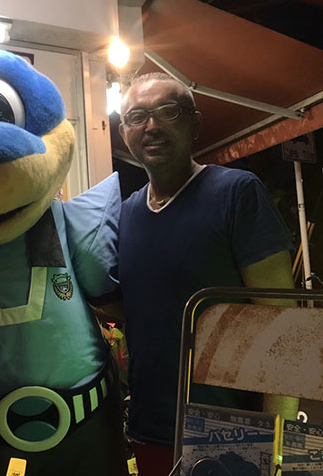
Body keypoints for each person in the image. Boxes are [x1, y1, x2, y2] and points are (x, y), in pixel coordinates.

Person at [116, 73, 296, 476]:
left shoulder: (236, 193)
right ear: (124, 132)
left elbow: (283, 322)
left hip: (231, 433)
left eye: (167, 111)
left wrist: (279, 445)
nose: (151, 126)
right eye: (137, 116)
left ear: (194, 123)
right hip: (151, 428)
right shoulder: (127, 213)